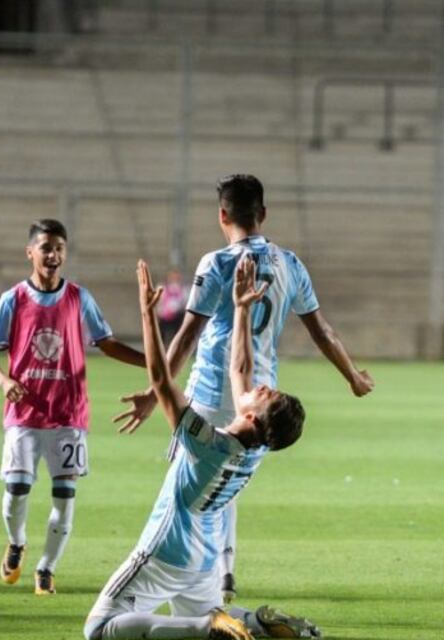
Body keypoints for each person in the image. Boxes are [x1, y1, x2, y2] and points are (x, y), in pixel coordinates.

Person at [116, 175, 374, 601]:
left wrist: (153, 392)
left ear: (222, 215)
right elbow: (322, 330)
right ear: (263, 214)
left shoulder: (217, 263)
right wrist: (352, 376)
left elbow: (187, 336)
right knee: (227, 479)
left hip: (211, 387)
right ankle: (225, 572)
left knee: (191, 482)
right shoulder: (290, 263)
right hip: (257, 392)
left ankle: (191, 575)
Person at [84, 258, 321, 640]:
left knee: (99, 629)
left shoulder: (208, 444)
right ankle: (258, 624)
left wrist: (147, 314)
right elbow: (240, 368)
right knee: (214, 617)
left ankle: (206, 628)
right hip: (204, 561)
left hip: (166, 552)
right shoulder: (255, 448)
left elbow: (162, 380)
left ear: (253, 418)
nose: (262, 386)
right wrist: (241, 309)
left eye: (267, 394)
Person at [0, 219, 146, 596]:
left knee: (64, 496)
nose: (53, 255)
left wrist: (151, 363)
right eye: (45, 248)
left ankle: (46, 568)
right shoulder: (13, 299)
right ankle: (17, 542)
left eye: (59, 248)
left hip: (68, 415)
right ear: (30, 252)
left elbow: (107, 343)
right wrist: (4, 381)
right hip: (24, 414)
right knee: (16, 489)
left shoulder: (79, 298)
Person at [157, 268, 186, 345]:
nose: (175, 279)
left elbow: (183, 302)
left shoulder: (182, 288)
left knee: (177, 334)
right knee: (161, 335)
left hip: (177, 316)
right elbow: (160, 302)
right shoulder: (163, 287)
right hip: (164, 316)